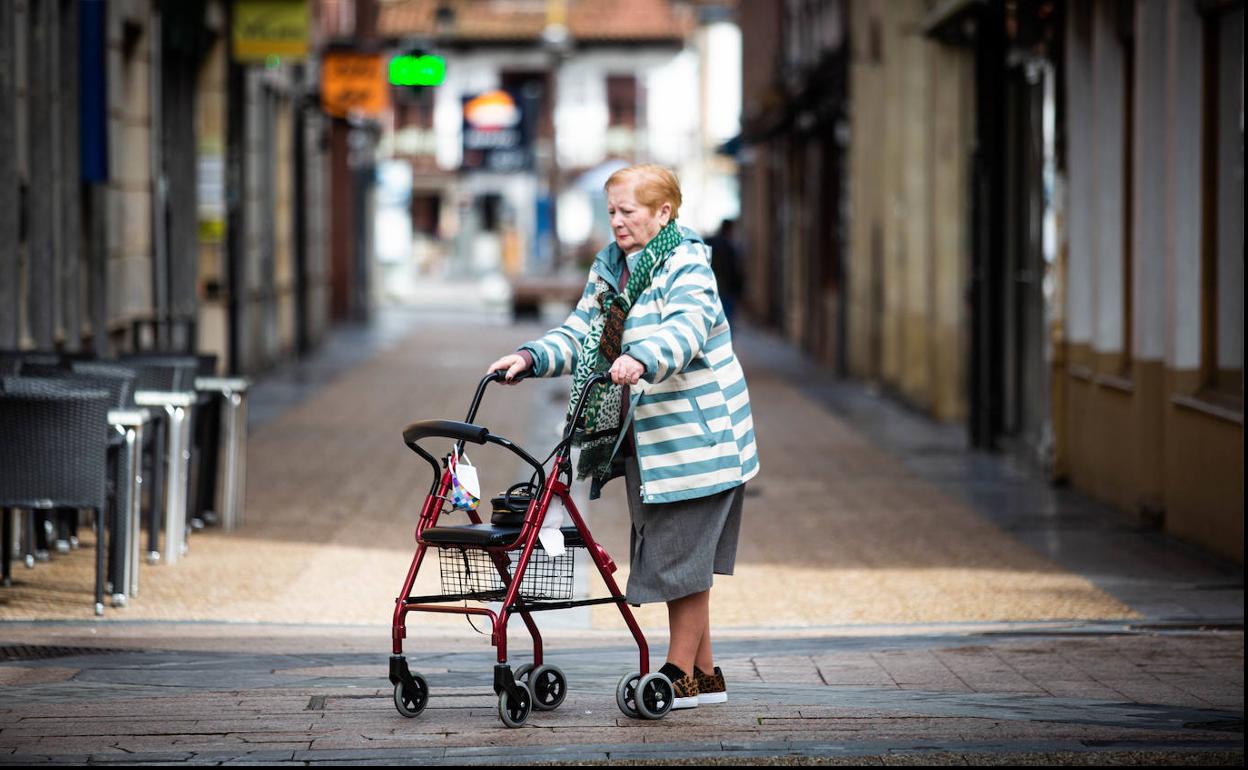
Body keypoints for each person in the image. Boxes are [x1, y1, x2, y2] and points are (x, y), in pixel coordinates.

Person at [488, 164, 759, 710]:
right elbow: (583, 332)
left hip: (697, 441)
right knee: (679, 555)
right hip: (650, 442)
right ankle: (706, 677)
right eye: (611, 211)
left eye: (627, 211)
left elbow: (685, 328)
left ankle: (678, 674)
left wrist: (641, 357)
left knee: (680, 558)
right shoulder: (611, 268)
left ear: (664, 213)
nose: (616, 221)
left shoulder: (688, 263)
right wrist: (531, 356)